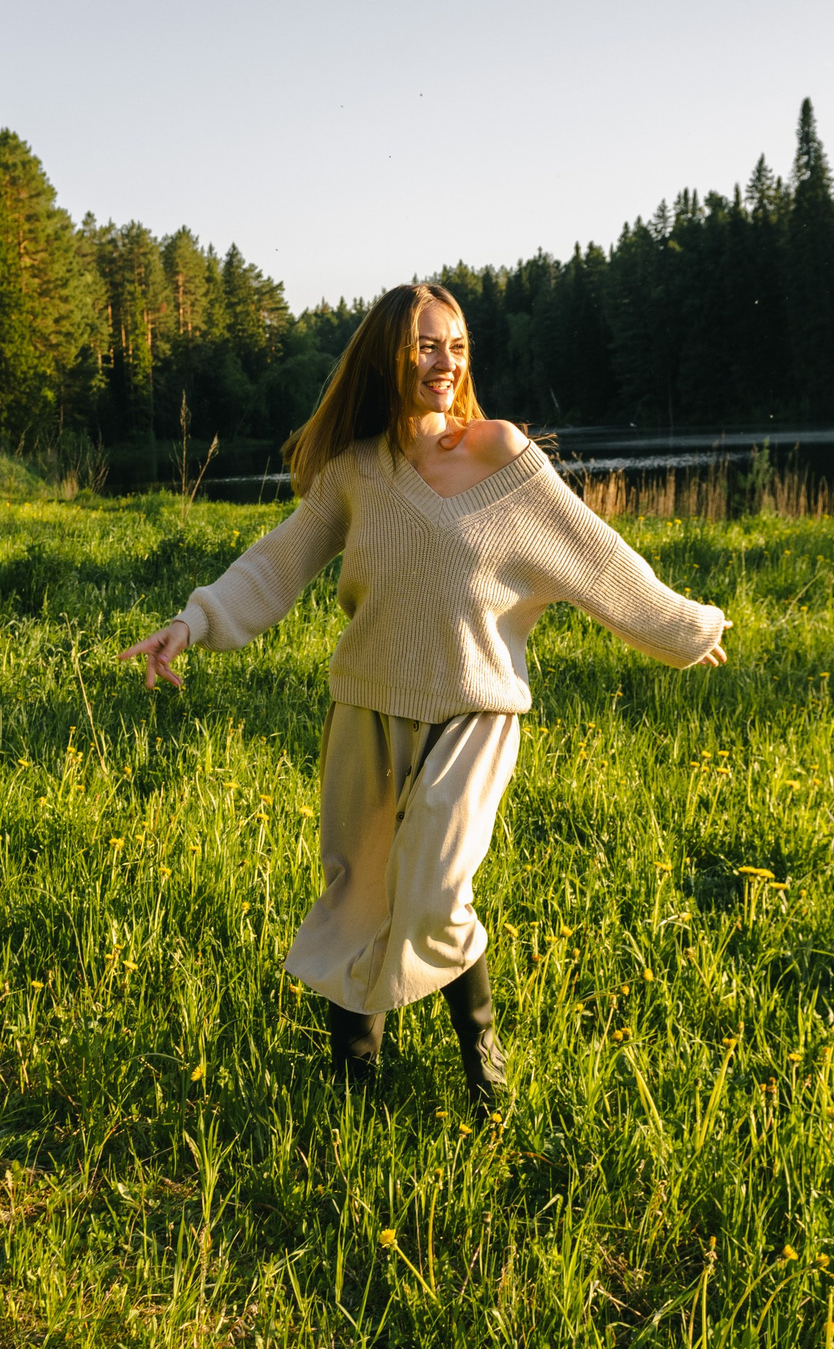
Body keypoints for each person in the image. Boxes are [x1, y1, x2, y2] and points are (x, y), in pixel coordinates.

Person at [118, 283, 730, 1106]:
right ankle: (353, 1082)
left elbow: (597, 556)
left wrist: (683, 626)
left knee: (439, 888)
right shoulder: (356, 470)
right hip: (368, 707)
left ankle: (483, 1061)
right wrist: (193, 623)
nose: (447, 364)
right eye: (427, 345)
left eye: (459, 346)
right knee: (358, 891)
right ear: (390, 355)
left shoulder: (501, 453)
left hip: (475, 710)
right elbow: (279, 561)